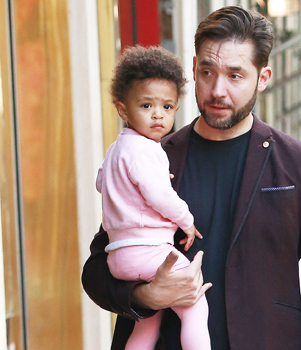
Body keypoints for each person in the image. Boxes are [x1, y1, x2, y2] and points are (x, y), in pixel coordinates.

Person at [82, 6, 301, 350]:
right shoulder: (151, 157)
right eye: (208, 72)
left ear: (263, 77)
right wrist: (147, 295)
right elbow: (96, 270)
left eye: (235, 75)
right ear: (195, 69)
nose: (217, 90)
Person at [97, 45, 211, 350]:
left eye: (167, 107)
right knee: (195, 306)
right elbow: (161, 197)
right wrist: (187, 221)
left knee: (148, 322)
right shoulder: (145, 149)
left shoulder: (117, 148)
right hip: (148, 252)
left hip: (119, 255)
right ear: (123, 110)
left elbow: (101, 182)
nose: (158, 115)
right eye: (146, 106)